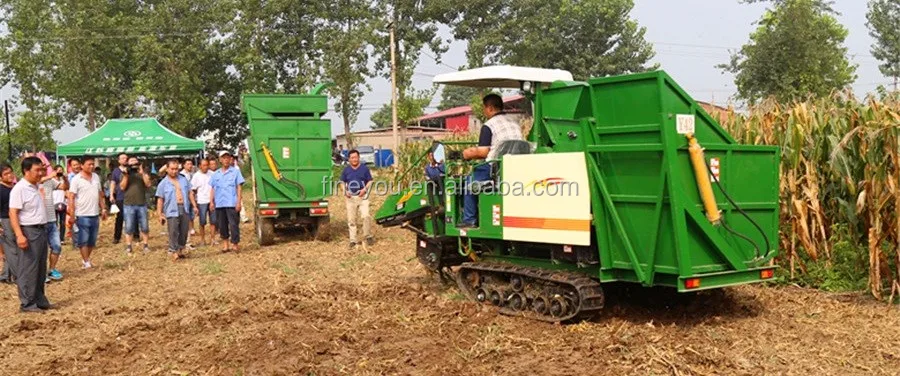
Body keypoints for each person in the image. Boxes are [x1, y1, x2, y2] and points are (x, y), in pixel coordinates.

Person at [459, 94, 524, 228]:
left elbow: (483, 152)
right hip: (516, 167)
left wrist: (465, 153)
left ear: (489, 108)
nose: (484, 111)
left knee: (469, 182)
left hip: (495, 168)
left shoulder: (489, 125)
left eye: (484, 108)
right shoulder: (514, 123)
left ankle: (469, 220)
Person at [9, 157, 51, 312]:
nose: (40, 173)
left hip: (40, 230)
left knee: (40, 267)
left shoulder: (35, 186)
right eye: (37, 170)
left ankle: (39, 299)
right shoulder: (20, 189)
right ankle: (27, 303)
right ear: (26, 171)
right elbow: (13, 212)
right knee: (28, 268)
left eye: (42, 170)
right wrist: (19, 235)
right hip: (28, 230)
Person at [67, 156, 107, 269]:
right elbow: (71, 197)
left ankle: (86, 259)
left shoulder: (96, 177)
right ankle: (86, 261)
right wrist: (72, 213)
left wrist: (103, 208)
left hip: (94, 213)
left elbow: (99, 194)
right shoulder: (76, 179)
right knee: (83, 239)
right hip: (82, 214)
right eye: (89, 164)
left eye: (93, 164)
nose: (92, 166)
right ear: (82, 165)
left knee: (92, 240)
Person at [156, 159, 196, 261]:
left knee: (184, 230)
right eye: (172, 169)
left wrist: (194, 205)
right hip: (171, 209)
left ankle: (180, 249)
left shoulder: (183, 179)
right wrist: (159, 213)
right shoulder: (163, 183)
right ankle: (173, 250)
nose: (174, 171)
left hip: (184, 207)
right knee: (173, 230)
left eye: (176, 169)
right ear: (167, 169)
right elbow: (160, 199)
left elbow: (190, 192)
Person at [209, 150, 244, 253]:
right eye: (224, 158)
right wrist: (211, 201)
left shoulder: (235, 172)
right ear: (220, 160)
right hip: (220, 203)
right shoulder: (216, 174)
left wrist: (238, 202)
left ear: (230, 159)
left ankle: (235, 243)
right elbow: (213, 188)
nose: (226, 160)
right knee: (222, 225)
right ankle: (225, 244)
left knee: (234, 224)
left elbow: (239, 187)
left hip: (231, 202)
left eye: (228, 158)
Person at [340, 149, 374, 250]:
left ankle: (367, 236)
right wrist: (345, 191)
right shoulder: (346, 170)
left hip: (363, 196)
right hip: (351, 197)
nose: (354, 159)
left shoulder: (364, 169)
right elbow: (342, 182)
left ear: (359, 158)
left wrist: (364, 189)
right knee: (351, 220)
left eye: (356, 157)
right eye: (352, 158)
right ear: (349, 159)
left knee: (366, 216)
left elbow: (370, 181)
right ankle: (353, 240)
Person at [40, 162, 67, 281]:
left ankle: (51, 269)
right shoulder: (32, 183)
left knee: (57, 246)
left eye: (45, 167)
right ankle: (41, 274)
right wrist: (50, 175)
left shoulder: (50, 181)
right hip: (39, 222)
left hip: (51, 220)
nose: (44, 169)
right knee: (41, 250)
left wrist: (64, 177)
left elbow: (64, 187)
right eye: (42, 168)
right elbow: (39, 180)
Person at [120, 156, 152, 254]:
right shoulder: (125, 174)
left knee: (145, 226)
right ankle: (129, 246)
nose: (133, 164)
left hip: (141, 203)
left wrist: (142, 173)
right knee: (129, 227)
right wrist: (126, 175)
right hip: (128, 204)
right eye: (131, 162)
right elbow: (122, 187)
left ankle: (145, 245)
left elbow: (148, 184)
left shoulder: (142, 173)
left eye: (135, 162)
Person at [191, 157, 216, 246]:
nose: (206, 167)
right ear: (200, 166)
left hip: (212, 200)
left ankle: (213, 239)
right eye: (204, 165)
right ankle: (202, 240)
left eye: (207, 165)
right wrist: (194, 205)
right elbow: (192, 191)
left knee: (213, 221)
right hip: (202, 201)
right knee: (202, 222)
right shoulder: (196, 176)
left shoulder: (212, 174)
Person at [0, 165, 16, 284]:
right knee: (12, 249)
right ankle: (17, 275)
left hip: (16, 220)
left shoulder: (15, 188)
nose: (9, 175)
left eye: (10, 172)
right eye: (6, 174)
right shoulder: (1, 190)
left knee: (12, 249)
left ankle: (6, 274)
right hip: (5, 220)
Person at [109, 153, 128, 244]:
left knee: (133, 217)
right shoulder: (116, 171)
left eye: (126, 158)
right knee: (119, 218)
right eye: (123, 158)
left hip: (131, 197)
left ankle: (135, 235)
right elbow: (113, 183)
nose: (125, 159)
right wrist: (111, 195)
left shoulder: (130, 169)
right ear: (119, 160)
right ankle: (117, 237)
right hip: (120, 197)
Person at [52, 166, 67, 244]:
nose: (60, 172)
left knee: (62, 222)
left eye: (61, 170)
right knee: (55, 222)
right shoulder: (51, 181)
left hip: (63, 203)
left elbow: (67, 187)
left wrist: (65, 178)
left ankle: (62, 238)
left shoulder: (63, 180)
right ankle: (55, 238)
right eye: (59, 170)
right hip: (54, 203)